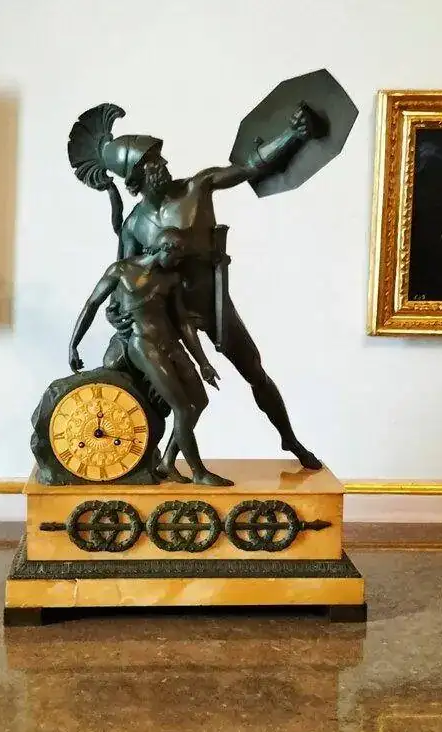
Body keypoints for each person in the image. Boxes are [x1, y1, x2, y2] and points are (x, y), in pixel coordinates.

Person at [94, 102, 326, 472]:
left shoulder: (197, 187)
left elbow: (250, 167)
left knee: (254, 370)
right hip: (166, 315)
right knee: (163, 386)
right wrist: (113, 312)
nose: (164, 164)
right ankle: (156, 457)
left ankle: (290, 439)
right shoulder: (134, 226)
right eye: (154, 162)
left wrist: (293, 135)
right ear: (137, 176)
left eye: (160, 158)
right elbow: (121, 276)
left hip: (212, 303)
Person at [68, 227, 232, 487]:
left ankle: (167, 461)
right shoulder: (121, 270)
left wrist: (204, 363)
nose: (178, 263)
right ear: (165, 248)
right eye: (177, 256)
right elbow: (92, 304)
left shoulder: (172, 278)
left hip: (170, 343)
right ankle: (199, 472)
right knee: (182, 408)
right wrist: (74, 345)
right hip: (144, 344)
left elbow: (183, 323)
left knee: (199, 401)